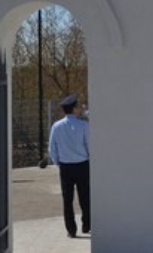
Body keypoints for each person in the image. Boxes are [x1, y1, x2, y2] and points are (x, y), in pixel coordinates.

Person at [48, 94, 90, 238]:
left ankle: (71, 230)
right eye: (77, 106)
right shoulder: (84, 125)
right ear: (74, 109)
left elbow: (52, 149)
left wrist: (58, 163)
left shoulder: (56, 126)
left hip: (66, 166)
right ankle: (86, 224)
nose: (80, 108)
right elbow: (89, 145)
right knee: (85, 197)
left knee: (67, 200)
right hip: (82, 165)